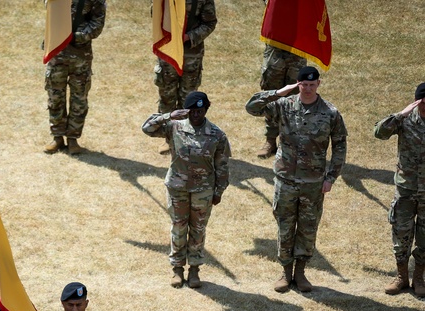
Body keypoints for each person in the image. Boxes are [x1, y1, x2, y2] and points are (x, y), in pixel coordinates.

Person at [246, 66, 346, 293]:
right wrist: (280, 92)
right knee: (285, 225)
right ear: (298, 84)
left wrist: (331, 177)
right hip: (286, 179)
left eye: (312, 85)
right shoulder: (284, 105)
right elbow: (252, 107)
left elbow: (340, 146)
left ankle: (300, 273)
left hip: (313, 182)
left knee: (308, 227)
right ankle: (285, 271)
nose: (308, 89)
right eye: (304, 85)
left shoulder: (330, 113)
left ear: (318, 84)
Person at [142, 91, 230, 288]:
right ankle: (177, 269)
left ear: (206, 110)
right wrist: (169, 115)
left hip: (203, 191)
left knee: (198, 230)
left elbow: (222, 166)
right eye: (192, 111)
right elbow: (147, 128)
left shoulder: (217, 135)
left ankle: (195, 270)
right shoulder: (174, 127)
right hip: (177, 188)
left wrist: (219, 191)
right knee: (179, 228)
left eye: (200, 110)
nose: (196, 114)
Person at [374, 83, 425, 297]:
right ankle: (402, 277)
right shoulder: (405, 120)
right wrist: (400, 114)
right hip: (406, 190)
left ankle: (419, 278)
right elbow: (379, 132)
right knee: (401, 234)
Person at [43, 0, 106, 155]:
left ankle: (73, 138)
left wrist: (76, 37)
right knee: (55, 95)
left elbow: (97, 23)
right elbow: (50, 9)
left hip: (80, 55)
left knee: (79, 97)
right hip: (57, 51)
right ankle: (57, 137)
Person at [153, 0, 216, 122]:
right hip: (168, 54)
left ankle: (184, 136)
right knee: (166, 98)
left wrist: (189, 37)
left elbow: (209, 23)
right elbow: (156, 14)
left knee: (188, 101)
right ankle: (169, 135)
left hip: (191, 56)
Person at [257, 44, 306, 158]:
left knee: (295, 98)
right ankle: (270, 141)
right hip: (276, 48)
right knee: (272, 97)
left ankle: (289, 143)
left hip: (298, 49)